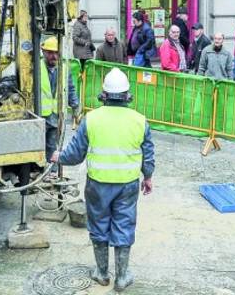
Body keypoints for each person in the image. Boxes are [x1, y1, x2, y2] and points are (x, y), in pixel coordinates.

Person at [51, 67, 154, 292]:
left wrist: (58, 157)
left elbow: (75, 155)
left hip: (98, 185)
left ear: (104, 95)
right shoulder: (139, 121)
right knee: (124, 225)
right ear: (128, 95)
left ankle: (102, 273)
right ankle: (123, 276)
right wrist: (148, 177)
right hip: (127, 185)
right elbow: (148, 153)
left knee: (99, 226)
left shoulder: (92, 119)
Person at [40, 36, 80, 176]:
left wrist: (75, 107)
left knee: (52, 145)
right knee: (37, 147)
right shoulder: (36, 68)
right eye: (50, 53)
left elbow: (70, 89)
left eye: (56, 53)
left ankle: (51, 172)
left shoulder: (63, 69)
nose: (54, 56)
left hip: (55, 116)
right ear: (43, 52)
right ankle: (38, 170)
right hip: (39, 115)